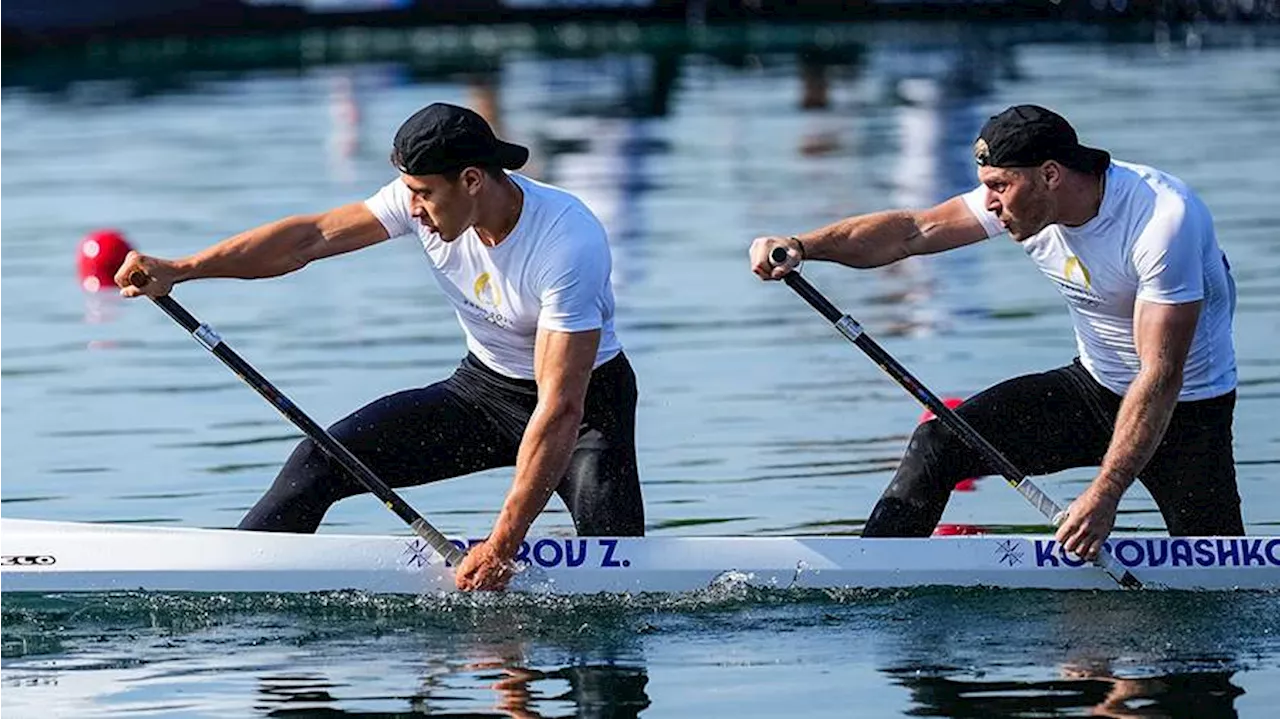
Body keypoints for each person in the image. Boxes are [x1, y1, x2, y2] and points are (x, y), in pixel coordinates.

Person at [116, 102, 645, 591]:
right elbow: (310, 238)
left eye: (424, 194)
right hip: (482, 394)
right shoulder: (427, 198)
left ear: (471, 180)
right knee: (317, 463)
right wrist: (185, 269)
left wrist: (502, 544)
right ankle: (228, 588)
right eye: (409, 191)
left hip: (584, 415)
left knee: (620, 581)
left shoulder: (566, 242)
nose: (412, 208)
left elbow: (560, 407)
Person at [749, 104, 1241, 560]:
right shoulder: (1023, 198)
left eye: (1000, 187)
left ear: (1050, 174)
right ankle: (872, 573)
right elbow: (911, 233)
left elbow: (1160, 373)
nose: (989, 202)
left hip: (1185, 413)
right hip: (1092, 390)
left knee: (1225, 583)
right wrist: (801, 246)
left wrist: (1105, 493)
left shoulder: (1162, 221)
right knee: (937, 445)